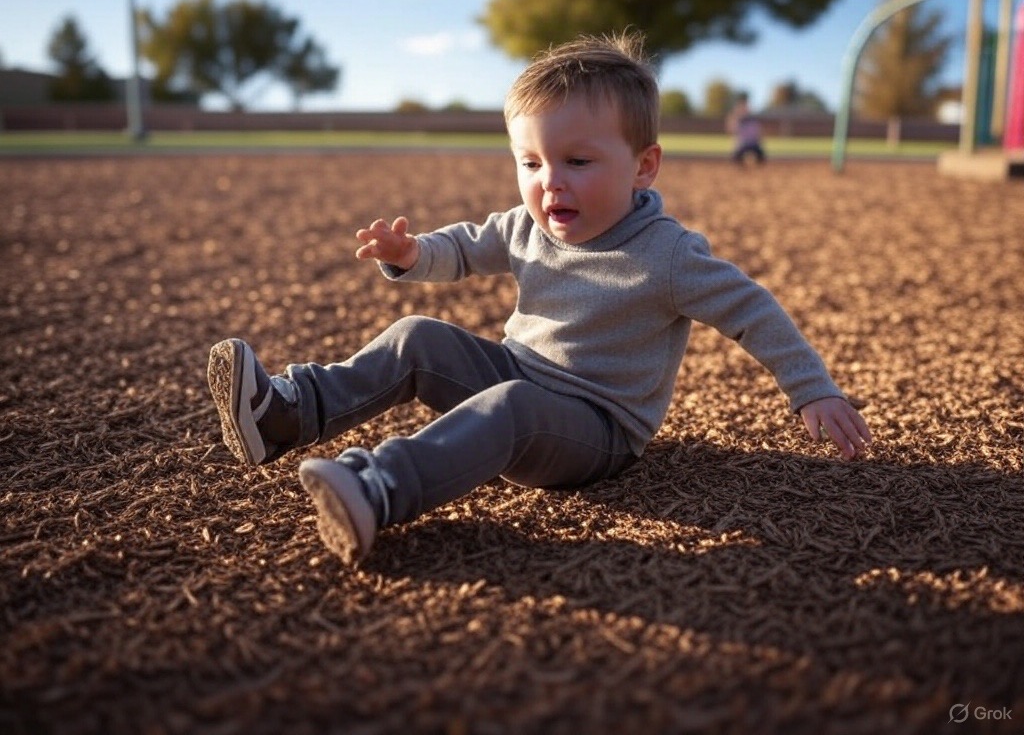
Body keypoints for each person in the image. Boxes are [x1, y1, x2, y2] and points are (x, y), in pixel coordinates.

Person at [207, 32, 871, 566]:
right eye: (531, 163)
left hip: (596, 427)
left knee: (514, 407)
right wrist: (413, 256)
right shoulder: (528, 225)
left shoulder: (667, 254)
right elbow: (468, 246)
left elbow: (750, 308)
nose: (550, 183)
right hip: (518, 372)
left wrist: (811, 387)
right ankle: (288, 415)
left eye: (578, 162)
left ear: (644, 166)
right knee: (417, 335)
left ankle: (380, 488)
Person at [726, 93, 766, 165]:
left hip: (753, 144)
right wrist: (735, 118)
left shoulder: (753, 121)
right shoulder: (737, 121)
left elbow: (758, 135)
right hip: (742, 145)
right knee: (736, 158)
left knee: (761, 158)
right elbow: (732, 130)